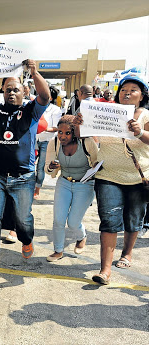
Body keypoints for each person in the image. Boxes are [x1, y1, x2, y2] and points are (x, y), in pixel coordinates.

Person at [0, 57, 50, 269]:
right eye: (8, 90)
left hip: (23, 178)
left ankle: (26, 240)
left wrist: (34, 73)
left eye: (16, 90)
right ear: (2, 92)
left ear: (24, 92)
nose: (12, 93)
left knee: (23, 219)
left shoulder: (31, 111)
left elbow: (45, 95)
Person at [75, 75, 149, 285]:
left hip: (137, 178)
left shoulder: (145, 115)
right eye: (124, 89)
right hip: (107, 175)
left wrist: (140, 132)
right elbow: (83, 135)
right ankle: (105, 270)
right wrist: (79, 124)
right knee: (108, 220)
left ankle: (127, 253)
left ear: (141, 95)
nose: (127, 92)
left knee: (134, 219)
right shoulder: (104, 112)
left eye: (133, 89)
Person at [44, 115, 98, 261]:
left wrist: (94, 170)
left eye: (67, 133)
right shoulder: (53, 143)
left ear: (75, 132)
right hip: (64, 182)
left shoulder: (87, 142)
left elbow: (98, 164)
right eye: (60, 132)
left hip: (85, 184)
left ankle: (81, 236)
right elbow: (48, 171)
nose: (62, 136)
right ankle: (58, 250)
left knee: (73, 222)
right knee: (58, 219)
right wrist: (51, 167)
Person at [34, 86, 62, 199]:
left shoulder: (55, 110)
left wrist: (43, 128)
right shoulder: (34, 107)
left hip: (47, 141)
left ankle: (37, 189)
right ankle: (28, 187)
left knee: (41, 167)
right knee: (29, 165)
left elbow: (56, 128)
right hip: (33, 140)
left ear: (50, 98)